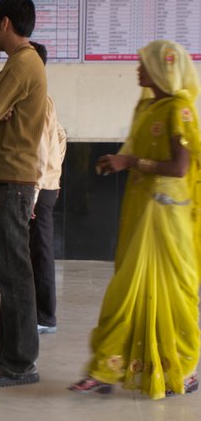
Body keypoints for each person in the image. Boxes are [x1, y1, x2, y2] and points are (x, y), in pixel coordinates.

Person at [69, 40, 201, 399]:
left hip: (168, 220)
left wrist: (129, 163)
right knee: (125, 292)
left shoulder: (180, 110)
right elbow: (137, 150)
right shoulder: (147, 105)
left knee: (171, 296)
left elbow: (180, 167)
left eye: (144, 64)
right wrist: (117, 160)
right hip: (142, 211)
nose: (138, 69)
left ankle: (183, 369)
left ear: (162, 69)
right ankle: (105, 369)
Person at [0, 0, 46, 387]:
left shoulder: (22, 64)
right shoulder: (20, 63)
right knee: (7, 270)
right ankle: (9, 351)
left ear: (5, 23)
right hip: (8, 177)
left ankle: (20, 363)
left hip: (12, 180)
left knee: (15, 272)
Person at [28, 41, 67, 335]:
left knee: (40, 250)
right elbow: (60, 139)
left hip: (38, 187)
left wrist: (38, 189)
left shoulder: (40, 100)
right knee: (34, 249)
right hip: (45, 184)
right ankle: (38, 311)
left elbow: (42, 148)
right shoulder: (43, 98)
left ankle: (45, 315)